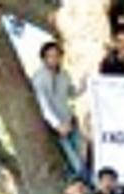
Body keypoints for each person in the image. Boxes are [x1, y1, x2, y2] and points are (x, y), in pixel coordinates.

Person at [32, 41, 85, 179]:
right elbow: (43, 104)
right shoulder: (39, 78)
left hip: (69, 120)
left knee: (81, 156)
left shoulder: (64, 74)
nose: (54, 59)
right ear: (43, 58)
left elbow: (71, 93)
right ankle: (77, 184)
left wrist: (83, 86)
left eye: (57, 56)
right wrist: (57, 124)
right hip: (55, 126)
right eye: (50, 56)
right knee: (73, 161)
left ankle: (80, 182)